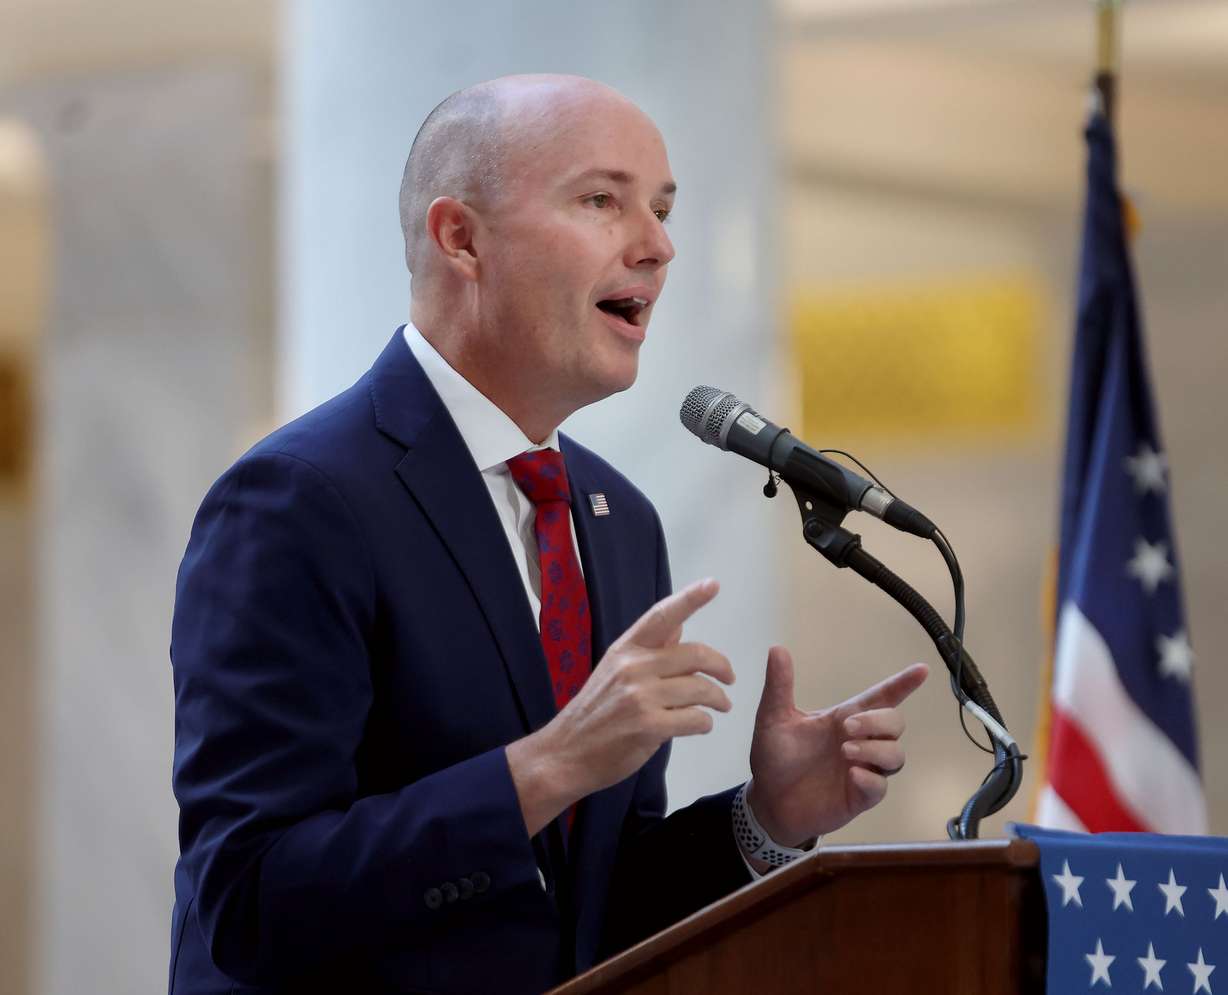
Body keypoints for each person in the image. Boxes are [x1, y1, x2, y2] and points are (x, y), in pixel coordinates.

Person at [167, 74, 928, 995]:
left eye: (662, 208)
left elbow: (589, 910)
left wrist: (763, 818)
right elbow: (250, 901)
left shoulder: (617, 522)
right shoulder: (300, 500)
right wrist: (548, 765)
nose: (657, 245)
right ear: (462, 239)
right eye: (602, 200)